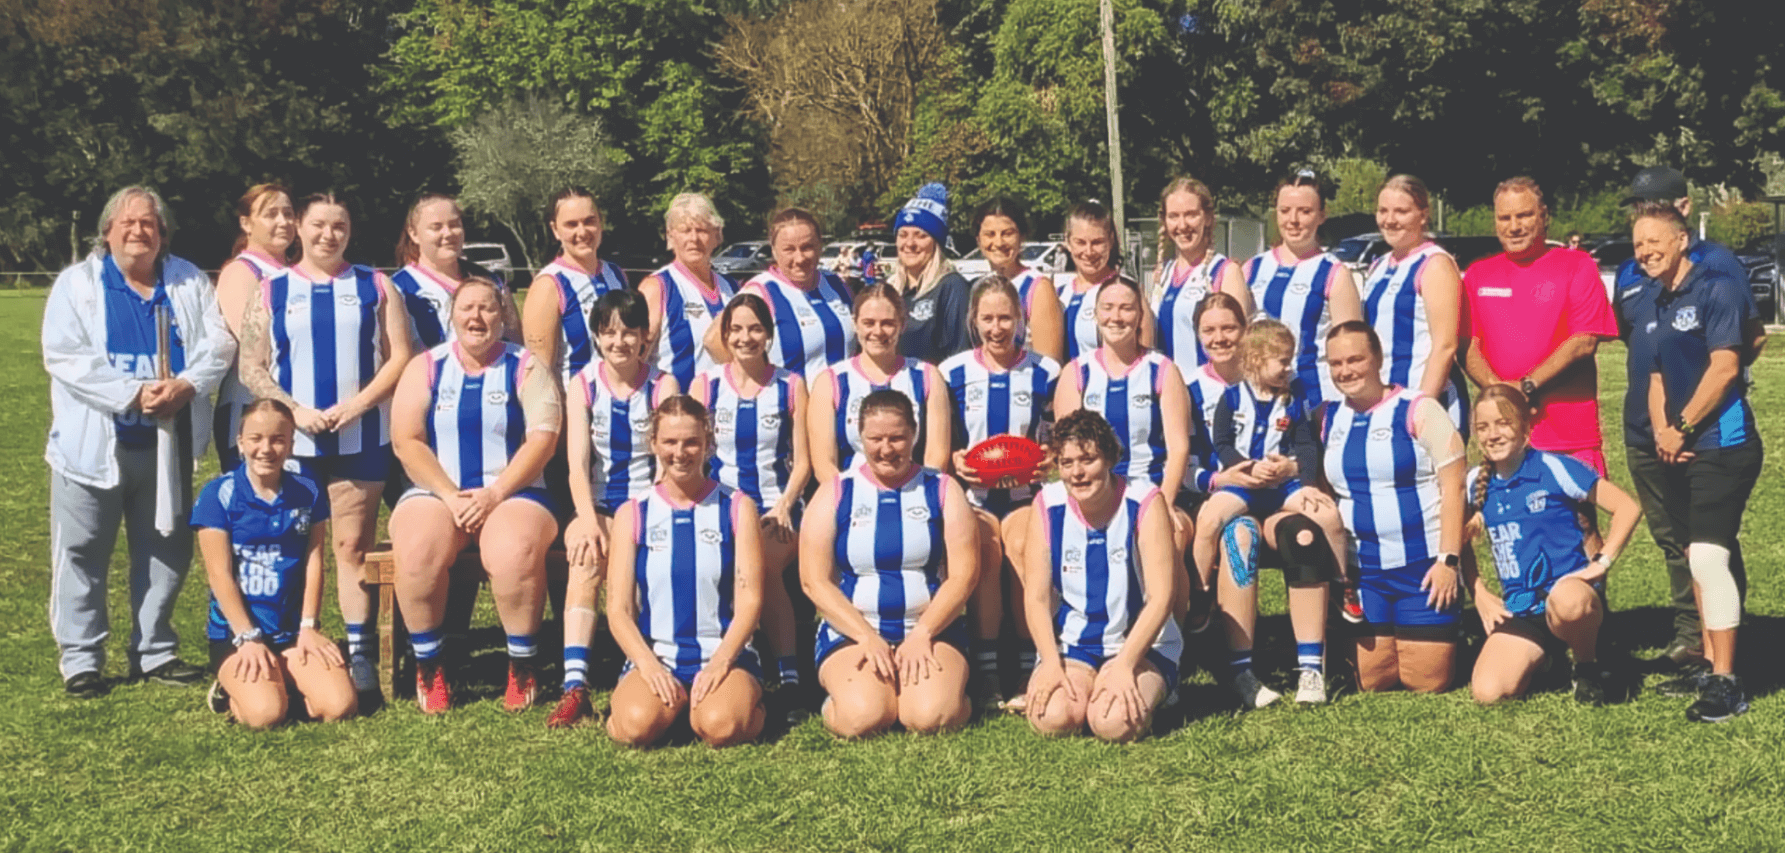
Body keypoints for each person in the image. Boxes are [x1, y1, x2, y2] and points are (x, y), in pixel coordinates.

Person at [44, 185, 234, 698]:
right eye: (126, 223)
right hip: (93, 446)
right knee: (83, 551)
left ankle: (155, 650)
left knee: (164, 549)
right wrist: (134, 393)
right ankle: (82, 658)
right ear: (106, 232)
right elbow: (64, 355)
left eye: (149, 223)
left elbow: (219, 341)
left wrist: (188, 384)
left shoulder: (187, 280)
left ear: (163, 233)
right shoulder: (78, 285)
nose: (138, 231)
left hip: (166, 444)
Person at [237, 192, 412, 698]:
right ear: (300, 229)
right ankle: (286, 645)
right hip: (294, 443)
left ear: (349, 231)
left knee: (350, 546)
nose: (327, 235)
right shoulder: (271, 290)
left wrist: (357, 406)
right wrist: (295, 411)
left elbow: (399, 357)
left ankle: (359, 653)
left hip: (362, 438)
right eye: (317, 225)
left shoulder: (376, 286)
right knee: (290, 546)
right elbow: (252, 365)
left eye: (338, 225)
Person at [1614, 167, 1765, 668]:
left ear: (1682, 223)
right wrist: (1663, 429)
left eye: (1653, 233)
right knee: (1683, 546)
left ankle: (1725, 663)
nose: (1644, 245)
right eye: (1638, 228)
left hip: (1714, 438)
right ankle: (1700, 650)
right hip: (1657, 436)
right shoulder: (1646, 286)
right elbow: (1650, 361)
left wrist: (1687, 423)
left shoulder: (1717, 272)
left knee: (1707, 548)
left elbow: (1738, 348)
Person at [388, 278, 561, 713]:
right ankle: (431, 665)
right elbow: (406, 440)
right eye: (467, 308)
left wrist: (495, 492)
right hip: (439, 492)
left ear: (503, 316)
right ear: (453, 315)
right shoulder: (426, 366)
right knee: (416, 546)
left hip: (514, 491)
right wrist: (449, 495)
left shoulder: (526, 366)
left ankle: (522, 664)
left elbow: (544, 438)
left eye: (487, 308)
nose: (477, 317)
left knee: (513, 551)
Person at [799, 390, 978, 738]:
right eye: (875, 439)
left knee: (930, 718)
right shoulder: (837, 491)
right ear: (859, 437)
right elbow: (813, 581)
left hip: (930, 629)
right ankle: (855, 693)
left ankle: (948, 693)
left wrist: (922, 633)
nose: (886, 449)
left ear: (914, 434)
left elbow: (964, 575)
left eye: (897, 438)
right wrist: (866, 637)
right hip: (855, 632)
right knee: (863, 718)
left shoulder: (942, 489)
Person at [1197, 319, 1346, 707]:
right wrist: (1244, 468)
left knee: (1327, 516)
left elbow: (1306, 445)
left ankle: (1345, 590)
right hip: (1245, 485)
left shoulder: (1294, 398)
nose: (1289, 368)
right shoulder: (1232, 398)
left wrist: (1305, 479)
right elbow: (1223, 444)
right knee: (1210, 519)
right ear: (1256, 360)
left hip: (1283, 486)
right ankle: (1200, 594)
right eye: (1281, 361)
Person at [603, 396, 767, 747]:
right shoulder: (633, 513)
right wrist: (647, 667)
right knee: (633, 728)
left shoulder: (737, 507)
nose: (681, 452)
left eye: (691, 442)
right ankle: (665, 705)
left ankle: (728, 705)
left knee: (722, 726)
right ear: (653, 444)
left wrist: (721, 663)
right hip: (659, 655)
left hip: (724, 654)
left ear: (708, 444)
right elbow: (618, 610)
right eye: (670, 442)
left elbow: (750, 600)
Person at [1464, 385, 1642, 706]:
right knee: (1489, 693)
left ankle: (1587, 665)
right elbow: (1455, 539)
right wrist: (1477, 591)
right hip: (1522, 608)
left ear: (1525, 426)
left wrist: (1601, 563)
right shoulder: (1474, 481)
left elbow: (1627, 508)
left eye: (1503, 423)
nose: (1492, 434)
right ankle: (1551, 660)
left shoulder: (1554, 467)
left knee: (1569, 601)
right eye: (1482, 427)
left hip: (1569, 596)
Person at [1320, 321, 1466, 693]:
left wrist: (1448, 560)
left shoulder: (1419, 408)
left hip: (1423, 566)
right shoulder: (1326, 419)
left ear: (1378, 358)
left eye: (1355, 359)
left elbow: (1454, 485)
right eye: (1336, 363)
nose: (1346, 371)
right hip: (1363, 573)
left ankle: (1446, 628)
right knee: (1372, 681)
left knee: (1427, 681)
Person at [194, 399, 356, 727]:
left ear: (291, 444)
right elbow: (219, 575)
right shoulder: (218, 495)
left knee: (339, 707)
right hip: (237, 633)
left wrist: (309, 627)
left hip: (292, 631)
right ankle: (231, 690)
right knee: (265, 715)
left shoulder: (308, 491)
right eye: (255, 438)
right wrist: (247, 637)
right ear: (240, 443)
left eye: (278, 439)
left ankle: (283, 676)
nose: (266, 449)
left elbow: (314, 560)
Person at [1022, 409, 1182, 742]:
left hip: (1140, 646)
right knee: (1052, 718)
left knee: (1112, 724)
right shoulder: (1047, 505)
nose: (1077, 473)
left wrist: (1125, 665)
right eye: (1067, 463)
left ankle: (1159, 685)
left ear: (1108, 458)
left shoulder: (1144, 502)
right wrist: (1050, 662)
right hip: (1074, 645)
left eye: (1088, 459)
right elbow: (1036, 598)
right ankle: (1087, 684)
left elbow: (1162, 596)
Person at [939, 275, 1061, 709]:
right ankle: (988, 670)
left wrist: (1049, 457)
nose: (997, 327)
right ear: (974, 320)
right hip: (973, 498)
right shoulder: (951, 372)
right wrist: (954, 458)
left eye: (1005, 317)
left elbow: (1058, 434)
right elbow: (943, 440)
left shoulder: (1046, 371)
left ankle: (1032, 664)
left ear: (1021, 318)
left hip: (1025, 495)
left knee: (1027, 547)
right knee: (985, 553)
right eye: (987, 318)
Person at [691, 293, 812, 713]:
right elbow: (692, 453)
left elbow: (804, 461)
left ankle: (790, 674)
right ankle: (717, 657)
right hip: (719, 506)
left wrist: (784, 504)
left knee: (761, 563)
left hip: (776, 505)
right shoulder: (705, 385)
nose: (746, 338)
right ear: (724, 336)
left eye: (755, 329)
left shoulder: (791, 385)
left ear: (769, 335)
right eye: (736, 329)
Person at [1461, 177, 1618, 479]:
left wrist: (1527, 386)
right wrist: (1502, 396)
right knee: (1514, 525)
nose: (1514, 226)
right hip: (1504, 437)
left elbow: (1584, 341)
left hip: (1570, 435)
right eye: (1504, 218)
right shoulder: (1478, 275)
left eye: (1524, 215)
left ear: (1544, 216)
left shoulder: (1577, 265)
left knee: (1580, 525)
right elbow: (1466, 345)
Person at [1054, 276, 1195, 609]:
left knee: (1168, 537)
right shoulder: (1077, 373)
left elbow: (1179, 449)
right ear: (1095, 314)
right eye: (1108, 308)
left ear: (1140, 316)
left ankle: (1172, 637)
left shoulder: (1162, 369)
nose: (1116, 317)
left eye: (1126, 308)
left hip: (1153, 488)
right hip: (1096, 491)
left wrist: (1164, 503)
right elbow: (1070, 453)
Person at [1244, 171, 1363, 406]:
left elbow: (1351, 349)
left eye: (1305, 211)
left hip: (1316, 401)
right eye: (1285, 210)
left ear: (1321, 215)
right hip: (1258, 402)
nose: (1293, 220)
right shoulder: (1252, 268)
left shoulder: (1335, 274)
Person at [1359, 174, 1468, 432]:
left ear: (1423, 215)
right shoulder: (1378, 266)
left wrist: (1421, 410)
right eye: (1383, 211)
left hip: (1425, 401)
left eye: (1401, 211)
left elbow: (1445, 346)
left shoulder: (1435, 264)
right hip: (1385, 401)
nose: (1389, 220)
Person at [808, 285, 950, 480]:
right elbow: (824, 466)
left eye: (887, 323)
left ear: (902, 324)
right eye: (869, 323)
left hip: (915, 497)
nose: (878, 331)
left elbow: (936, 459)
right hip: (850, 501)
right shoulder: (830, 382)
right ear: (855, 324)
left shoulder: (928, 376)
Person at [212, 184, 295, 471]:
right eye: (271, 214)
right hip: (250, 409)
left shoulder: (296, 273)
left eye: (288, 213)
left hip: (292, 409)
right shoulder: (241, 273)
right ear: (246, 223)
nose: (283, 221)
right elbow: (255, 351)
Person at [1151, 176, 1255, 380]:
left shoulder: (1225, 272)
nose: (1182, 225)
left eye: (1191, 215)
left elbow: (1239, 344)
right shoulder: (1163, 274)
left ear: (1207, 218)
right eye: (1174, 216)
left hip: (1212, 397)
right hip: (1169, 396)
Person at [522, 188, 628, 385]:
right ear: (555, 230)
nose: (582, 232)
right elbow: (540, 373)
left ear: (601, 222)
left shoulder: (616, 274)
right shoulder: (548, 285)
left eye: (589, 221)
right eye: (571, 224)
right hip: (576, 408)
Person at [390, 193, 521, 350]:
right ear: (414, 234)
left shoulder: (492, 281)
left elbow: (515, 344)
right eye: (436, 227)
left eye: (454, 225)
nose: (448, 233)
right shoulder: (398, 288)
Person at [740, 208, 856, 379]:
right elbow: (716, 345)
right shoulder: (758, 292)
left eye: (807, 247)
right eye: (789, 249)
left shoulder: (836, 284)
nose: (800, 258)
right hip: (791, 404)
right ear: (774, 250)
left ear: (820, 246)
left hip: (843, 401)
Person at [639, 192, 736, 390]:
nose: (694, 238)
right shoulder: (658, 287)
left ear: (717, 235)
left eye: (702, 230)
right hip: (676, 411)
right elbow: (635, 359)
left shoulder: (733, 288)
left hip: (724, 410)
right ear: (670, 235)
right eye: (685, 230)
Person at [970, 197, 1067, 362]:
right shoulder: (978, 286)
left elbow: (1049, 365)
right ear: (979, 240)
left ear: (1021, 237)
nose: (998, 242)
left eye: (1007, 234)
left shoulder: (1037, 287)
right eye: (990, 234)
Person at [887, 182, 973, 364]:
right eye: (903, 235)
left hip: (933, 388)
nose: (909, 243)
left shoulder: (951, 286)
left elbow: (959, 355)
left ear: (936, 243)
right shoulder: (889, 289)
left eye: (920, 235)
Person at [1057, 200, 1145, 363]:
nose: (1089, 252)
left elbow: (1145, 360)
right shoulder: (1060, 294)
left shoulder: (1127, 292)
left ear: (1110, 241)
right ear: (1068, 242)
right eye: (1080, 242)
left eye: (1097, 242)